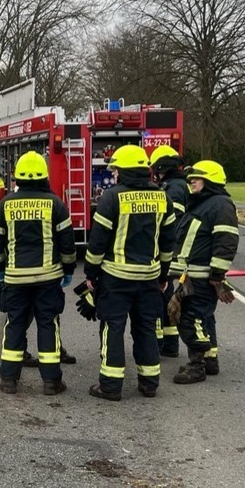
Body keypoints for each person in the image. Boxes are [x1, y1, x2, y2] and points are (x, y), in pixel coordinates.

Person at [83, 145, 176, 401]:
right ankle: (149, 384)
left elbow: (97, 242)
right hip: (149, 278)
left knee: (113, 329)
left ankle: (110, 387)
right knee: (146, 328)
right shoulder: (162, 197)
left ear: (122, 171)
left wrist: (90, 272)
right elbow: (168, 242)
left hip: (116, 278)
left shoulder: (112, 197)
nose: (114, 175)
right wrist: (163, 276)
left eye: (115, 170)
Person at [0, 151, 77, 395]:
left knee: (15, 324)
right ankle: (51, 382)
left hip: (15, 279)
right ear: (44, 176)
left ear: (17, 177)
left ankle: (8, 380)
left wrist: (0, 270)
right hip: (48, 278)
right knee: (48, 325)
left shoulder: (6, 204)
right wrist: (68, 270)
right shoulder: (55, 204)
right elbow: (67, 243)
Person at [169, 161, 239, 384]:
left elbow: (226, 240)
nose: (191, 182)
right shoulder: (202, 203)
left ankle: (196, 366)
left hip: (201, 276)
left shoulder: (220, 205)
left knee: (191, 319)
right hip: (192, 275)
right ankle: (210, 360)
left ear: (210, 180)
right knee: (204, 318)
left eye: (196, 179)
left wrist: (217, 275)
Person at [149, 145, 189, 358]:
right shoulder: (179, 185)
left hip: (172, 250)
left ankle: (162, 343)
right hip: (178, 250)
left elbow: (173, 222)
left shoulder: (173, 188)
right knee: (167, 295)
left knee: (161, 296)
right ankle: (170, 343)